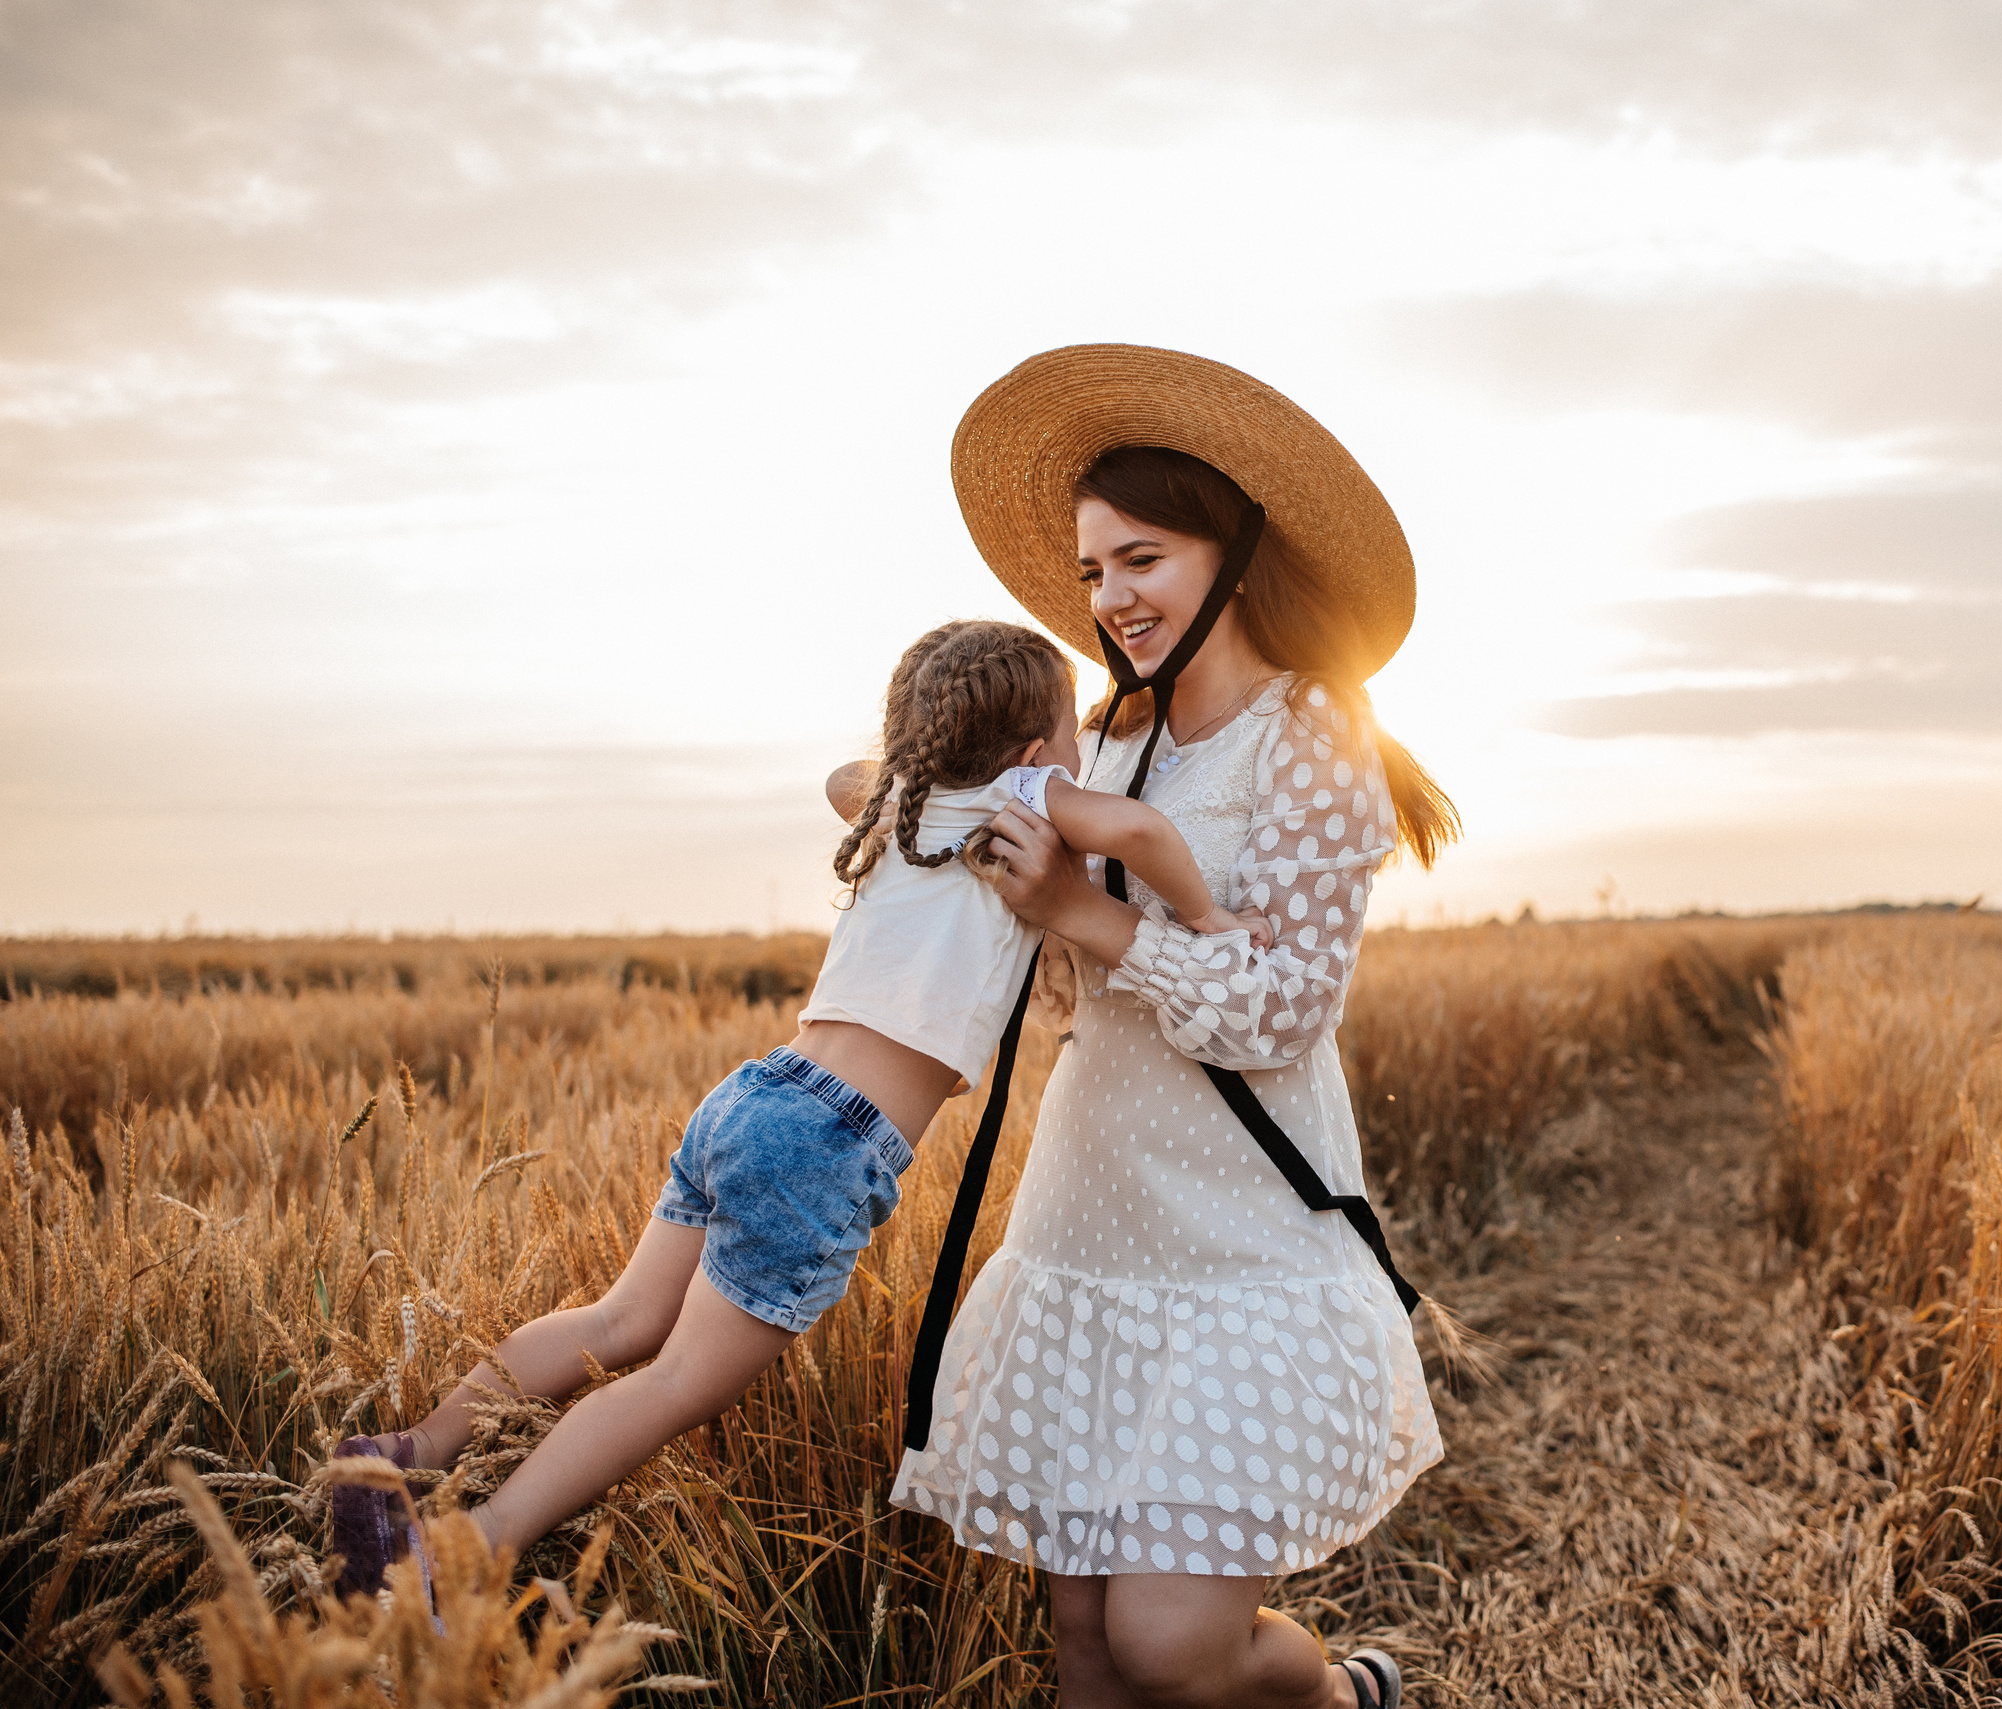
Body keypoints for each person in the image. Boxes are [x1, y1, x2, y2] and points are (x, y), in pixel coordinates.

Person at [326, 618, 1261, 1600]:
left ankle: (400, 1455)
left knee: (621, 1317)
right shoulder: (1025, 798)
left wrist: (918, 768)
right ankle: (458, 1558)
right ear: (1034, 752)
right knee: (674, 1381)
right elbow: (1142, 831)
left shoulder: (900, 802)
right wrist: (1209, 917)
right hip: (826, 1142)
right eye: (1072, 733)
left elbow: (840, 780)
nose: (1081, 752)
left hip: (756, 1093)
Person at [888, 346, 1460, 1709]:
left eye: (1140, 559)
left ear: (1237, 556)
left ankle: (1341, 1696)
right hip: (1089, 1221)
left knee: (1169, 1648)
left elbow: (1281, 1012)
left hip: (1237, 1241)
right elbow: (898, 792)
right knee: (1086, 1647)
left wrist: (1083, 908)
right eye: (1093, 570)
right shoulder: (1106, 739)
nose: (1110, 598)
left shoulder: (1311, 732)